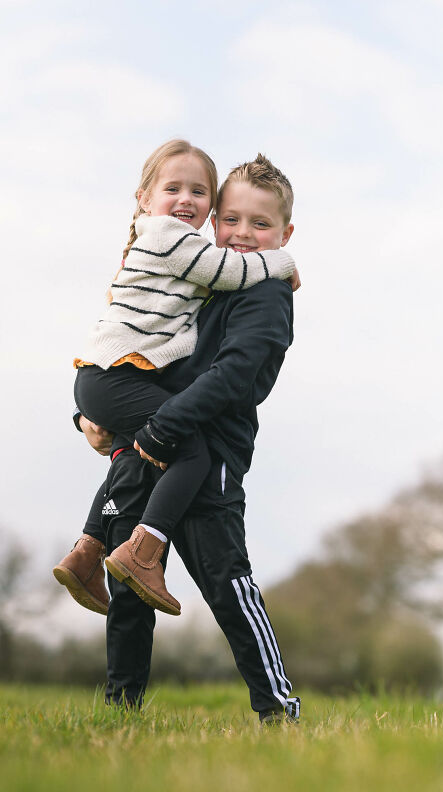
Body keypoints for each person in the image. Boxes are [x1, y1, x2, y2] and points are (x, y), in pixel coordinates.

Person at [67, 154, 302, 725]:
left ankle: (277, 708)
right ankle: (121, 713)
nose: (243, 235)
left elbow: (234, 377)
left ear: (285, 234)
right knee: (127, 590)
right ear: (213, 220)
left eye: (260, 225)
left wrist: (164, 426)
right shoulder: (200, 275)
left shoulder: (266, 293)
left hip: (210, 454)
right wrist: (88, 419)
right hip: (149, 447)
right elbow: (136, 359)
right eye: (231, 220)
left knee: (227, 584)